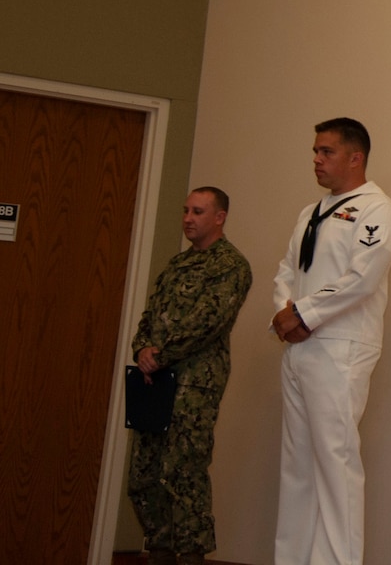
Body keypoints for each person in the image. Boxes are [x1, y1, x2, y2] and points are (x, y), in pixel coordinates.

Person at [271, 117, 391, 565]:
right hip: (299, 346)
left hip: (341, 347)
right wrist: (285, 313)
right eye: (315, 151)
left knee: (335, 462)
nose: (316, 160)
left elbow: (361, 278)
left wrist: (304, 313)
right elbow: (288, 270)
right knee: (298, 465)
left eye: (325, 152)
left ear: (355, 157)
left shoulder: (376, 209)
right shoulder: (310, 212)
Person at [127, 186, 253, 565]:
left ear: (219, 217)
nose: (187, 218)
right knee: (145, 473)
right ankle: (160, 550)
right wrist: (142, 349)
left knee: (183, 472)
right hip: (155, 382)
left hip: (193, 385)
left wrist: (160, 355)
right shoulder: (177, 264)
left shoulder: (230, 265)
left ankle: (191, 556)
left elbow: (207, 323)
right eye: (185, 211)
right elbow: (150, 315)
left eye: (197, 211)